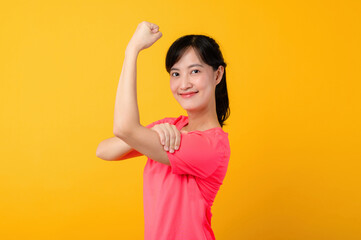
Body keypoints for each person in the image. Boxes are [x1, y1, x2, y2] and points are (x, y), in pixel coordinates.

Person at [96, 21, 230, 240]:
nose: (184, 84)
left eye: (194, 71)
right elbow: (104, 150)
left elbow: (123, 128)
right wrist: (152, 133)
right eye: (175, 74)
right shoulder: (170, 127)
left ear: (217, 75)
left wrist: (132, 51)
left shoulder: (212, 146)